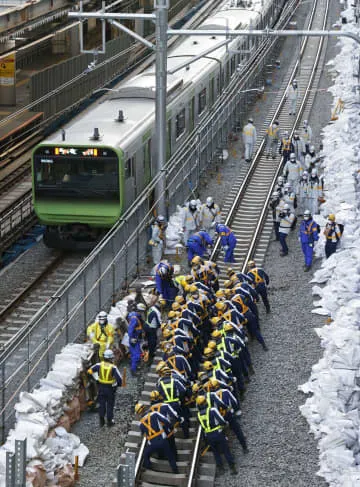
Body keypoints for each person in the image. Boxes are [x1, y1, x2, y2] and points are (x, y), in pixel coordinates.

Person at [196, 396, 238, 475]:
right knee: (226, 450)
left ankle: (221, 468)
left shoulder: (198, 415)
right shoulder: (212, 410)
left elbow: (202, 426)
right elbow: (221, 421)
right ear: (206, 402)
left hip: (209, 436)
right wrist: (225, 424)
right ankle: (232, 468)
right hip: (218, 433)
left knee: (216, 452)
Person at [135, 402, 179, 473]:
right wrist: (171, 428)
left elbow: (144, 434)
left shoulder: (140, 424)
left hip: (152, 444)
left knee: (145, 455)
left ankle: (149, 468)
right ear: (145, 408)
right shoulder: (155, 414)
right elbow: (166, 421)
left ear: (138, 413)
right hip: (163, 440)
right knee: (170, 456)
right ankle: (175, 470)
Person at [87, 349, 122, 427]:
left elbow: (89, 371)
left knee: (102, 404)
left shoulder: (99, 365)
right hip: (110, 389)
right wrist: (117, 385)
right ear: (110, 358)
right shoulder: (113, 368)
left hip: (101, 387)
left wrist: (96, 379)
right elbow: (119, 379)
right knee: (110, 404)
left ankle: (101, 421)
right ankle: (109, 421)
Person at [128, 304, 145, 376]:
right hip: (134, 338)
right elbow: (130, 330)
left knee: (133, 354)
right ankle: (133, 371)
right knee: (137, 355)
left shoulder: (134, 316)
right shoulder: (135, 319)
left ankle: (133, 367)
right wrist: (132, 338)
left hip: (135, 338)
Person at [144, 296, 161, 361]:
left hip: (146, 326)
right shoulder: (157, 312)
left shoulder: (151, 308)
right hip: (151, 328)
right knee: (153, 340)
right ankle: (151, 354)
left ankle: (149, 349)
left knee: (149, 339)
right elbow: (159, 322)